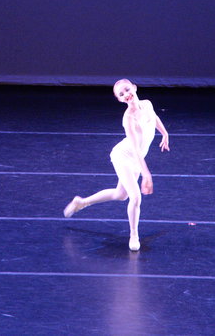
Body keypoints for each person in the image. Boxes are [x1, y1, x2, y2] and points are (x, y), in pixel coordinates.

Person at [63, 79, 170, 251]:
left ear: (134, 88)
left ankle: (81, 202)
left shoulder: (147, 104)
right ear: (119, 100)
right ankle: (134, 235)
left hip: (136, 158)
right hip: (124, 157)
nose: (126, 94)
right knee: (135, 197)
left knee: (120, 195)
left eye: (127, 90)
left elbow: (154, 117)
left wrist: (164, 133)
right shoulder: (128, 119)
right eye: (121, 94)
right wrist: (146, 174)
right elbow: (135, 150)